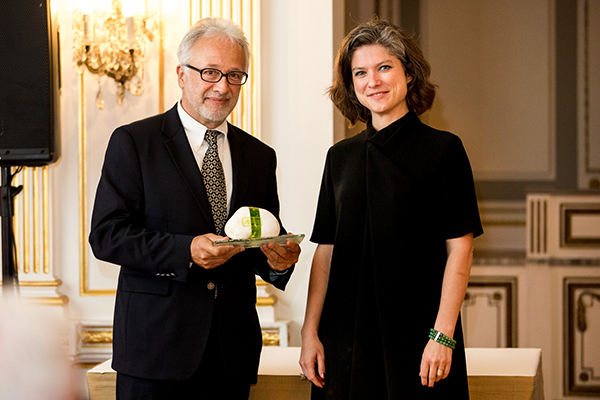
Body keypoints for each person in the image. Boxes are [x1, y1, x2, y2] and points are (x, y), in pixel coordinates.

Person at [89, 17, 300, 400]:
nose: (223, 86)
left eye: (235, 75)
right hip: (155, 351)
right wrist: (185, 250)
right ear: (181, 75)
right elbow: (107, 236)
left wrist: (278, 262)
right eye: (210, 72)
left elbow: (257, 238)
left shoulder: (259, 156)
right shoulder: (135, 142)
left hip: (230, 355)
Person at [299, 18, 483, 399]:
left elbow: (460, 249)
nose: (373, 81)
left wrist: (442, 335)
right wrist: (309, 332)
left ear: (409, 73)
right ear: (351, 83)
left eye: (384, 67)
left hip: (419, 333)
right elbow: (326, 252)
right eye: (360, 73)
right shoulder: (339, 157)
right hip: (345, 337)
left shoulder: (444, 151)